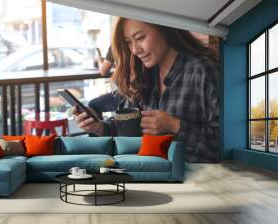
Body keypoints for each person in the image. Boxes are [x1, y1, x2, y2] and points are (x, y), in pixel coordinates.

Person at [73, 17, 220, 163]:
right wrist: (98, 127)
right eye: (129, 42)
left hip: (195, 179)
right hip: (151, 175)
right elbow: (129, 128)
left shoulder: (203, 69)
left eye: (140, 37)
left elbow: (226, 143)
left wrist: (175, 126)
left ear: (165, 29)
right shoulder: (143, 72)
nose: (135, 50)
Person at [87, 47, 124, 120]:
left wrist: (99, 60)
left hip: (126, 94)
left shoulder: (115, 44)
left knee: (92, 105)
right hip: (130, 91)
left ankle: (100, 129)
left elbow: (103, 71)